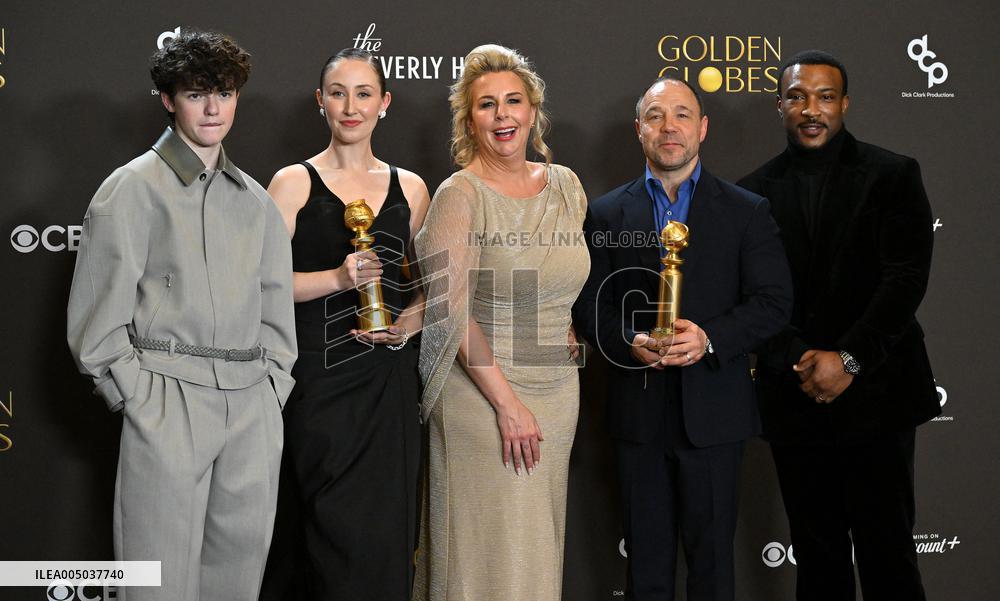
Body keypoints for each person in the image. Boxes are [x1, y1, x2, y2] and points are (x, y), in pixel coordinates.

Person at [66, 30, 296, 601]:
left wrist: (272, 389)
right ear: (169, 99)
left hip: (250, 404)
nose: (213, 108)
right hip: (166, 397)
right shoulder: (129, 189)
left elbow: (275, 310)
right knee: (156, 582)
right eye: (197, 94)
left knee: (238, 578)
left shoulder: (256, 201)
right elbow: (98, 319)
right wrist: (139, 398)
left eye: (224, 93)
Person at [573, 76, 793, 601]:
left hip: (715, 417)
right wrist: (629, 340)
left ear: (703, 128)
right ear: (638, 130)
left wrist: (709, 339)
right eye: (655, 115)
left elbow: (773, 303)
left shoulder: (746, 211)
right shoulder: (603, 214)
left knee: (713, 570)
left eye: (682, 114)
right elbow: (588, 306)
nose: (669, 126)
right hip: (637, 417)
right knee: (645, 571)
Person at [738, 50, 939, 601]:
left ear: (844, 104)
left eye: (825, 97)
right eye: (798, 96)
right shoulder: (749, 193)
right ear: (780, 105)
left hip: (881, 393)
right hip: (795, 395)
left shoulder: (894, 174)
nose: (812, 109)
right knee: (817, 556)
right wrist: (803, 359)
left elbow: (904, 280)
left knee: (889, 553)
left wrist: (848, 359)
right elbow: (751, 299)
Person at [413, 44, 587, 601]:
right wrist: (508, 406)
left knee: (536, 549)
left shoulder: (567, 185)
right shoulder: (458, 195)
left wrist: (565, 331)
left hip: (557, 393)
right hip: (482, 396)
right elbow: (449, 311)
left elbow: (560, 273)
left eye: (514, 101)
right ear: (470, 119)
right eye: (487, 105)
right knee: (488, 553)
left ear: (534, 110)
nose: (503, 115)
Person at [258, 48, 430, 601]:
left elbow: (435, 289)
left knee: (385, 530)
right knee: (323, 528)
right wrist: (336, 277)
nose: (350, 106)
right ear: (320, 101)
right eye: (338, 92)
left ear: (385, 103)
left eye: (363, 94)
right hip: (317, 383)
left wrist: (404, 325)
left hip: (389, 385)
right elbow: (255, 286)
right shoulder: (292, 183)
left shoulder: (414, 188)